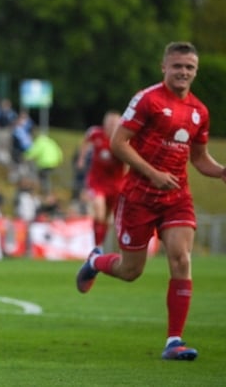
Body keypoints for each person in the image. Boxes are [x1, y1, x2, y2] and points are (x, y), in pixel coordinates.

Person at [76, 42, 226, 361]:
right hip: (139, 196)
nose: (183, 72)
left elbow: (199, 159)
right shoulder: (148, 100)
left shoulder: (199, 111)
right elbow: (119, 143)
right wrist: (153, 172)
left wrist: (221, 171)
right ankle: (95, 261)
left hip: (176, 196)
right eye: (177, 66)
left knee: (181, 259)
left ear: (195, 71)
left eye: (189, 67)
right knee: (131, 271)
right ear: (164, 67)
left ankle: (174, 341)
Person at [77, 110, 127, 250]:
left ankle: (102, 244)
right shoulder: (95, 134)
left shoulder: (122, 138)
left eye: (114, 122)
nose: (111, 125)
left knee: (107, 218)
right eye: (109, 122)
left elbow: (129, 159)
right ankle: (97, 247)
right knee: (99, 211)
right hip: (97, 180)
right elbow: (85, 141)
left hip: (116, 183)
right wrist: (81, 159)